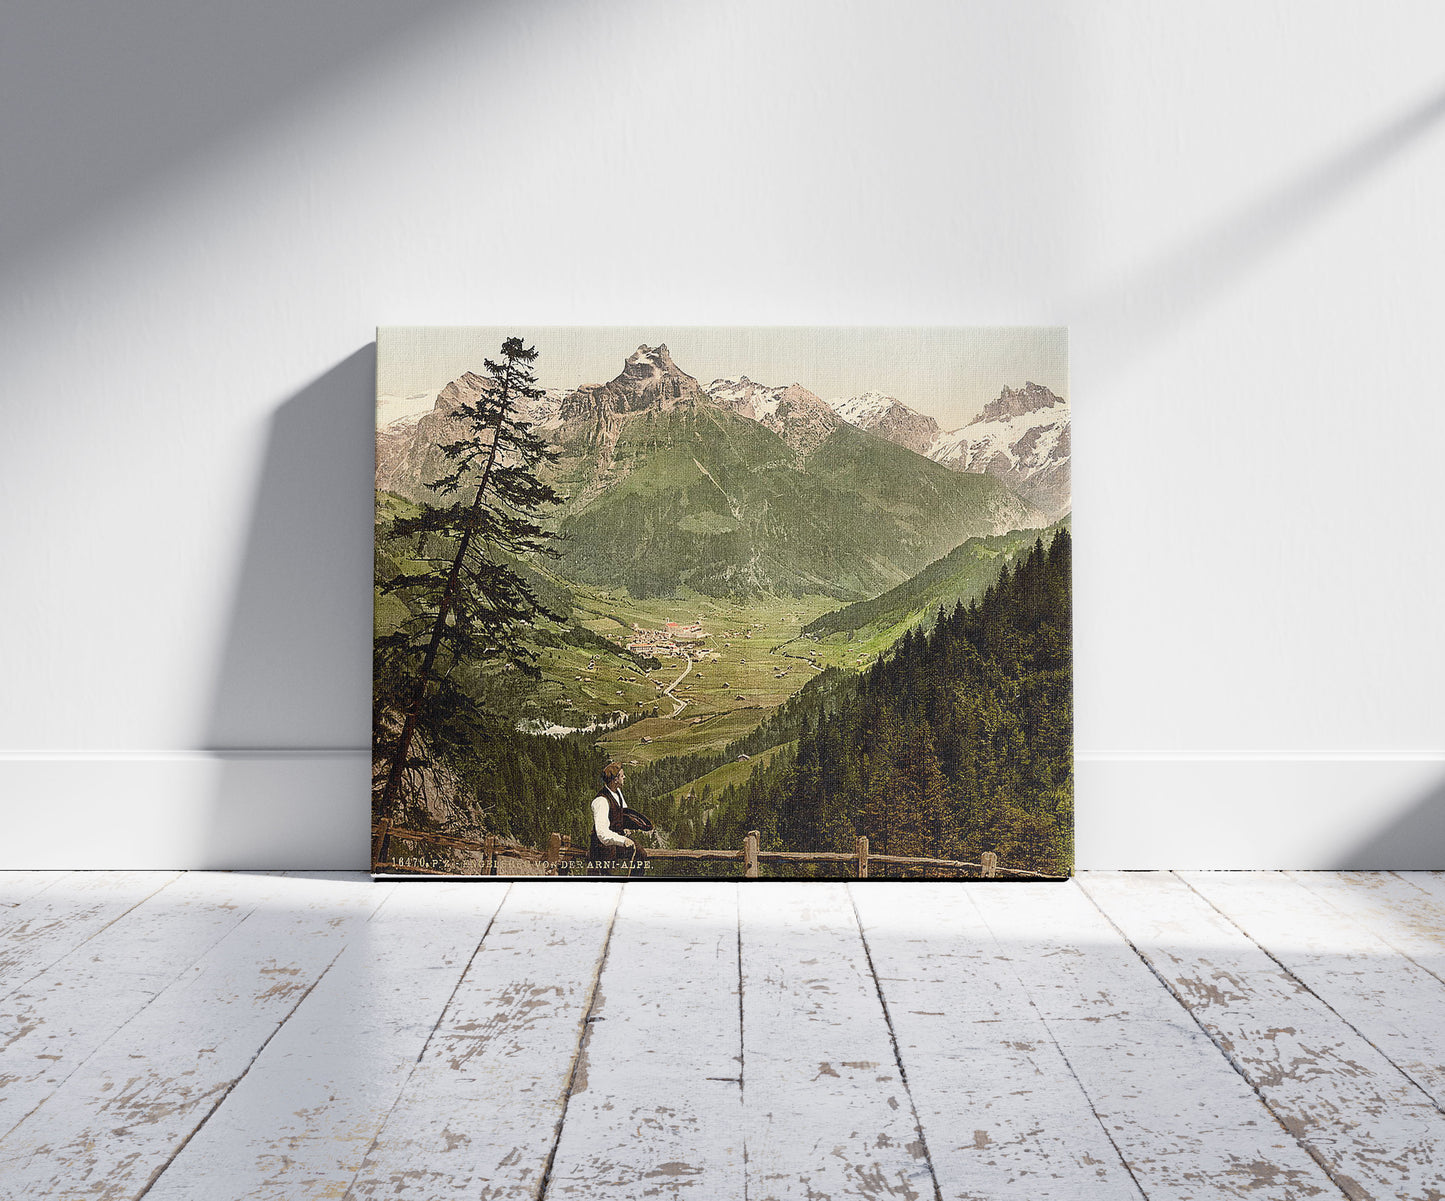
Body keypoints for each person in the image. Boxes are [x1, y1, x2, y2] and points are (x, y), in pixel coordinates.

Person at [587, 762, 653, 877]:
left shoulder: (617, 793)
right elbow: (602, 833)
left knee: (640, 854)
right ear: (615, 779)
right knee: (611, 875)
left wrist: (625, 826)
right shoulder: (601, 801)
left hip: (617, 837)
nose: (625, 777)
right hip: (603, 845)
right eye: (622, 776)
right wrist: (623, 841)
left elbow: (623, 812)